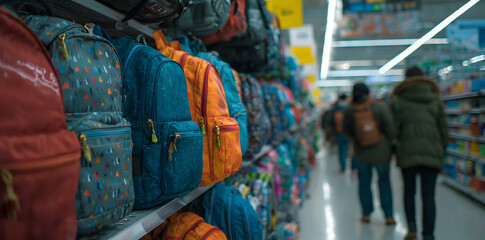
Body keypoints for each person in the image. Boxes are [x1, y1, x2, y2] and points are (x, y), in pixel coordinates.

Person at [390, 66, 448, 240]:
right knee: (428, 196)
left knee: (409, 192)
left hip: (407, 152)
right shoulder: (435, 98)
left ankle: (412, 229)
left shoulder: (398, 100)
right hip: (432, 150)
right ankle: (429, 234)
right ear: (423, 77)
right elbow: (443, 129)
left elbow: (394, 130)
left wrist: (395, 148)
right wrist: (441, 150)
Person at [343, 83, 395, 225]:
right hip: (381, 152)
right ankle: (388, 215)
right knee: (384, 181)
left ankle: (366, 213)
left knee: (364, 183)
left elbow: (346, 130)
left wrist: (358, 137)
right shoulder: (379, 107)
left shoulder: (350, 110)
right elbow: (390, 127)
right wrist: (391, 146)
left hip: (362, 153)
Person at [330, 94, 349, 172]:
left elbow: (331, 121)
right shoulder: (349, 108)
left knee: (341, 149)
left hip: (339, 132)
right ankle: (350, 165)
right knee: (346, 148)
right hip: (348, 132)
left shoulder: (336, 108)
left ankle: (342, 166)